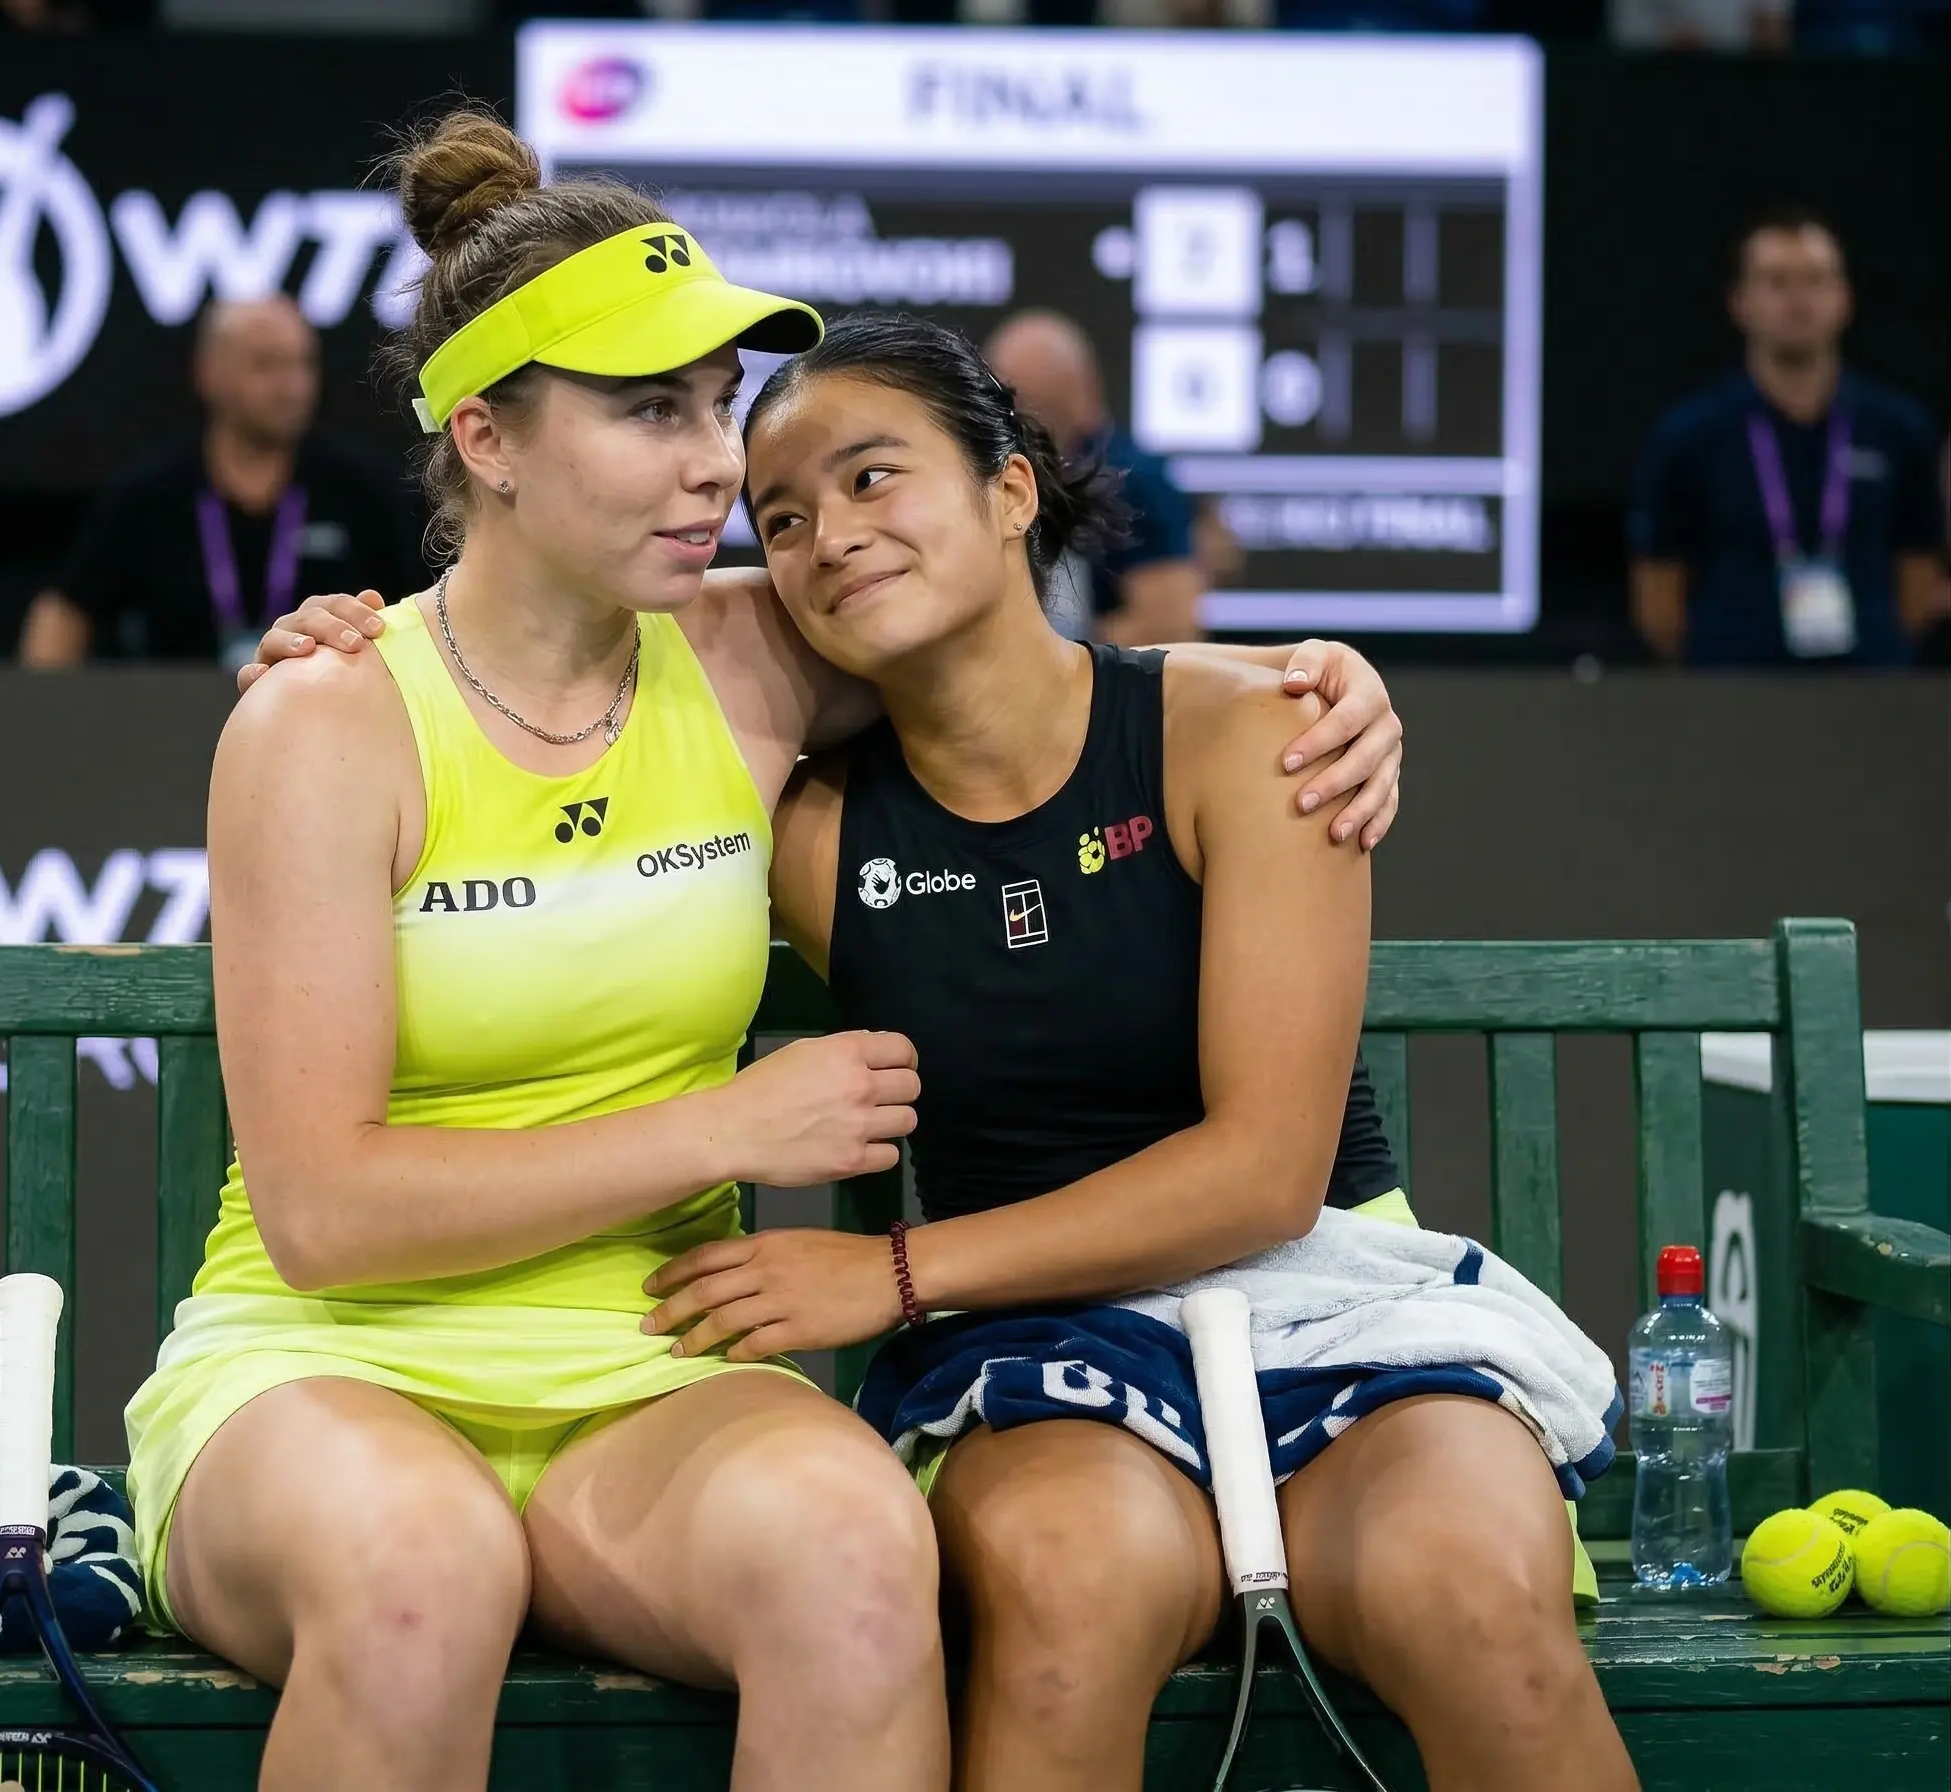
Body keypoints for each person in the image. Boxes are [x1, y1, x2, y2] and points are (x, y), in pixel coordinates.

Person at [149, 111, 1406, 1792]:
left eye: (715, 405)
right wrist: (723, 1132)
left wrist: (1318, 679)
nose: (711, 465)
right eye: (648, 411)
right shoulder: (326, 721)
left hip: (653, 1364)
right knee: (418, 1577)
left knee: (860, 1557)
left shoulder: (751, 653)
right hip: (325, 1369)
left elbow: (1035, 662)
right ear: (490, 440)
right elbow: (325, 1215)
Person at [657, 314, 1634, 1791]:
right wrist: (357, 640)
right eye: (779, 519)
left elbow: (1261, 1177)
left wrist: (891, 1274)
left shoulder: (1252, 730)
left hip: (1326, 1293)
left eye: (870, 477)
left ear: (1009, 491)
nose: (826, 537)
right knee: (1068, 1602)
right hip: (1031, 1340)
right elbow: (559, 658)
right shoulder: (805, 831)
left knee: (1477, 1607)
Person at [19, 295, 424, 669]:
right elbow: (63, 612)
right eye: (266, 365)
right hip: (171, 715)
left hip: (325, 709)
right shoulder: (150, 497)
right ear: (208, 373)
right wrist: (46, 709)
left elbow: (424, 609)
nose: (292, 386)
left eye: (302, 364)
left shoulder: (362, 493)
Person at [1630, 206, 1945, 668]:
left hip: (1868, 686)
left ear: (1844, 298)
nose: (1798, 301)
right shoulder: (1690, 435)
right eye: (1777, 282)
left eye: (1815, 280)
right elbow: (1658, 598)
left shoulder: (1897, 428)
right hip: (1733, 686)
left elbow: (1918, 574)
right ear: (1740, 302)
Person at [983, 309, 1203, 648]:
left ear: (1082, 396)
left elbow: (1171, 627)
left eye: (1041, 408)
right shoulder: (978, 478)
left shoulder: (1134, 481)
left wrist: (1057, 651)